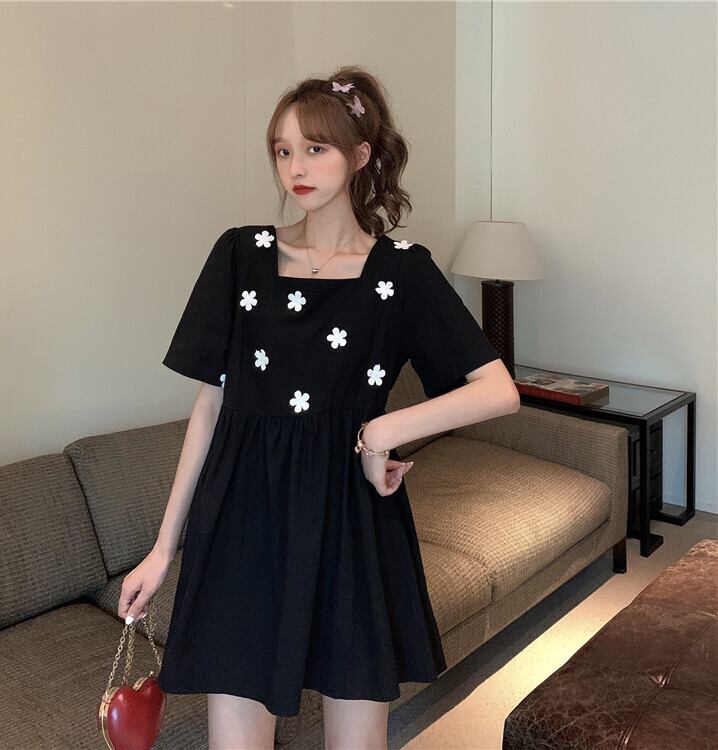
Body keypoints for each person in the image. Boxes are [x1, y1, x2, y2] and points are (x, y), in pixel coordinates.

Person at [118, 65, 519, 750]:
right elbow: (210, 409)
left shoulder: (402, 270)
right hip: (242, 520)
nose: (295, 168)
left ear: (360, 155)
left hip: (350, 522)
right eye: (283, 150)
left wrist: (381, 431)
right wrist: (163, 548)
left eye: (315, 148)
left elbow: (497, 388)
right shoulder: (240, 255)